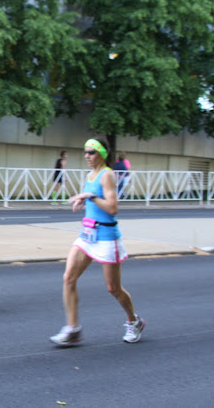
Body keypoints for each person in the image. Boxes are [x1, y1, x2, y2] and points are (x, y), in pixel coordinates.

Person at [50, 139, 144, 346]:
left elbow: (112, 208)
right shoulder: (89, 175)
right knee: (68, 278)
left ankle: (134, 321)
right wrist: (84, 199)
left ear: (101, 154)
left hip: (106, 236)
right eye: (85, 152)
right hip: (87, 234)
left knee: (113, 288)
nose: (87, 155)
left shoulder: (107, 174)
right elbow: (94, 199)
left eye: (91, 152)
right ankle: (73, 328)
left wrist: (90, 196)